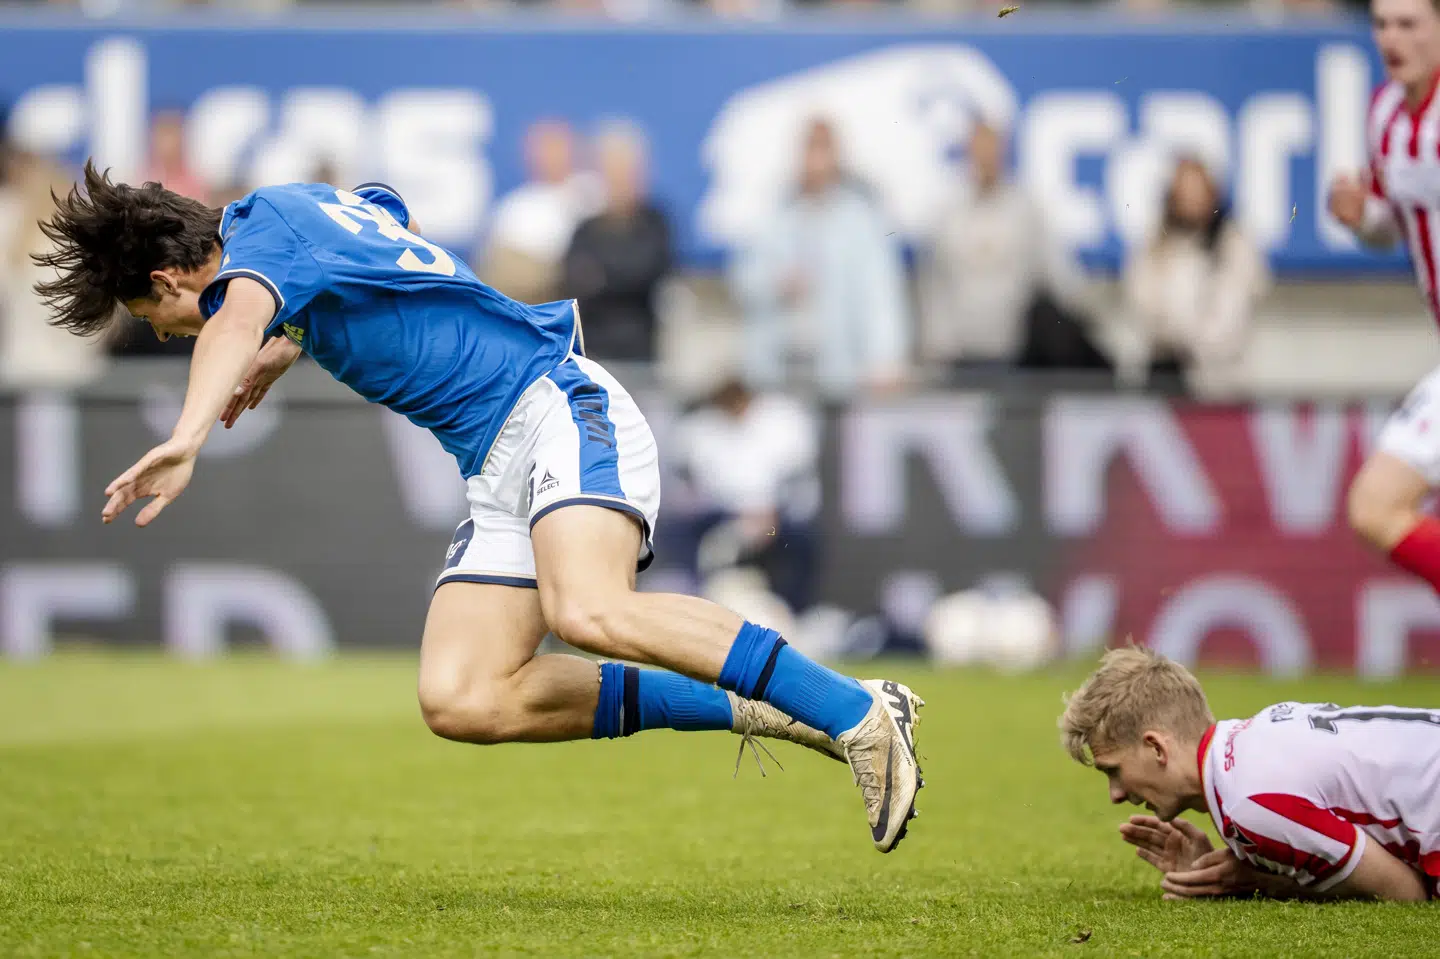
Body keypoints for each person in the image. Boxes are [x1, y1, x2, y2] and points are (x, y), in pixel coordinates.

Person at [33, 162, 924, 853]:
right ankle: (768, 706)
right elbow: (386, 212)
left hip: (553, 403)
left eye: (152, 314)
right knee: (462, 697)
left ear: (170, 277)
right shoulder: (286, 216)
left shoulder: (255, 256)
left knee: (590, 610)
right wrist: (295, 334)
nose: (164, 331)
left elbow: (233, 319)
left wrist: (188, 435)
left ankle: (854, 713)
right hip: (497, 461)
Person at [1060, 646, 1435, 901]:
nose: (1115, 794)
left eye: (1114, 771)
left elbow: (1406, 893)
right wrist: (1241, 866)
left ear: (1156, 747)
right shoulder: (1259, 732)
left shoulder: (1248, 801)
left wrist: (1258, 882)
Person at [1333, 0, 1440, 606]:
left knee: (1377, 504)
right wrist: (1363, 218)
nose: (1391, 38)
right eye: (1381, 24)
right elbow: (1395, 221)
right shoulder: (1386, 114)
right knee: (1376, 507)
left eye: (1409, 23)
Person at [730, 117, 910, 399]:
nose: (816, 160)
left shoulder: (860, 219)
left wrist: (885, 359)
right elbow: (743, 281)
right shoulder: (775, 214)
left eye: (823, 149)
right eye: (810, 148)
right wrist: (777, 283)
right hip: (777, 367)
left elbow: (880, 296)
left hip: (838, 371)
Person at [919, 120, 1102, 375]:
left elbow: (1059, 274)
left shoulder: (1024, 209)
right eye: (979, 150)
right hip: (960, 356)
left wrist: (1089, 317)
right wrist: (936, 348)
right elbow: (935, 286)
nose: (985, 158)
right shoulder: (947, 213)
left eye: (991, 150)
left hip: (1015, 353)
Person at [1119, 155, 1268, 393]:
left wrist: (1187, 340)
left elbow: (1229, 322)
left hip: (1224, 384)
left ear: (1213, 196)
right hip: (1168, 377)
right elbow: (1143, 304)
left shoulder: (1234, 246)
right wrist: (1175, 338)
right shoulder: (1154, 244)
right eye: (1184, 193)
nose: (1191, 201)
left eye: (1198, 193)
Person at [561, 122, 672, 364]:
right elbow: (574, 284)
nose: (619, 179)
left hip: (642, 352)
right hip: (594, 352)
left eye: (626, 170)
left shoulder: (655, 223)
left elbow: (648, 271)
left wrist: (603, 275)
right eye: (612, 170)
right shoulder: (585, 229)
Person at [479, 120, 602, 306]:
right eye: (544, 150)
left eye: (557, 148)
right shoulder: (514, 207)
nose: (551, 157)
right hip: (529, 298)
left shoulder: (594, 193)